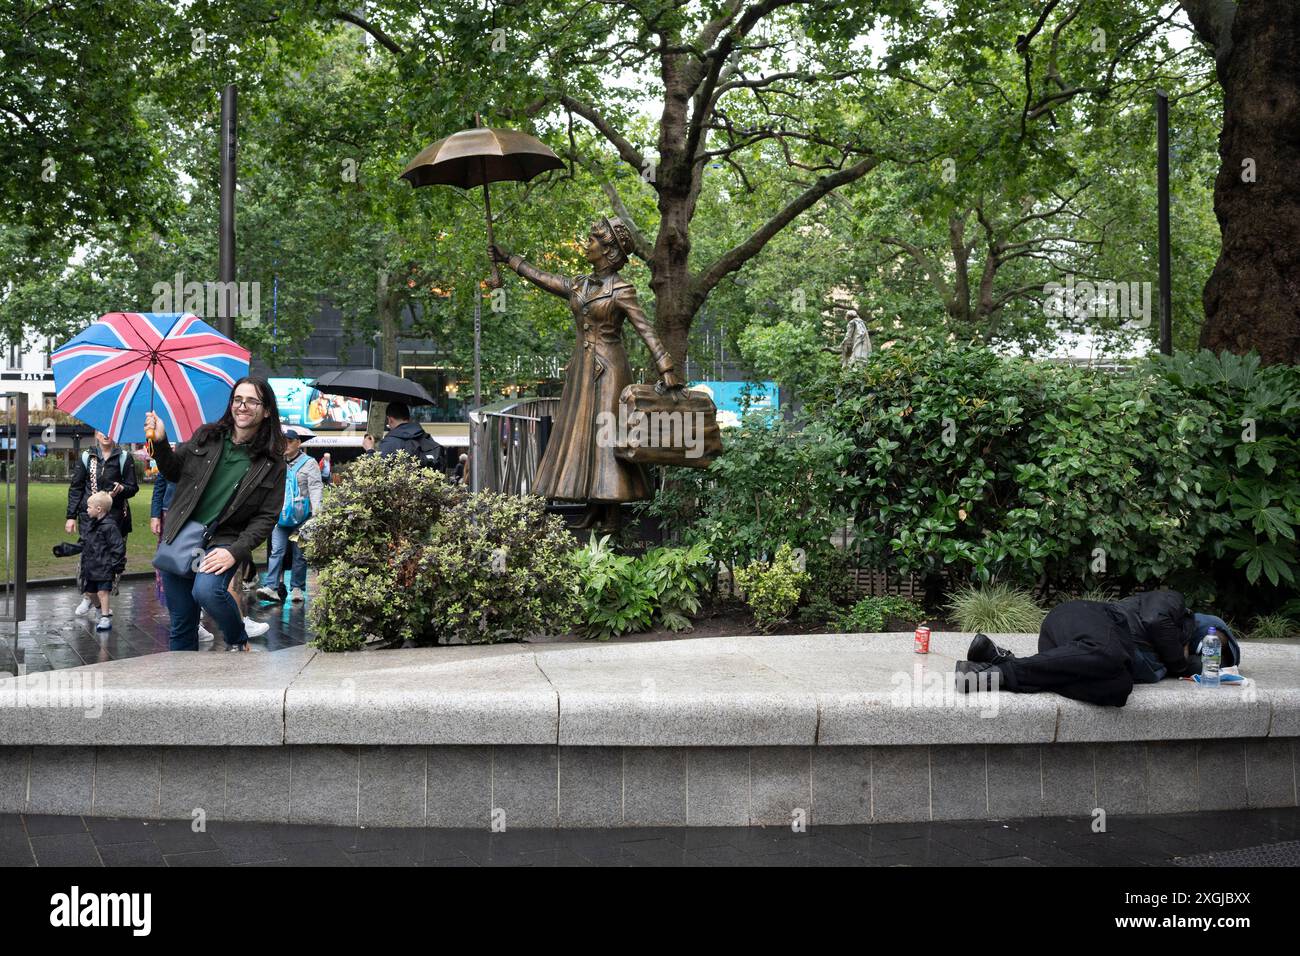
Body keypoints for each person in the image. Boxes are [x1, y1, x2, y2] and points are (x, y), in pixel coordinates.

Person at [490, 216, 683, 530]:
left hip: (609, 369)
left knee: (607, 437)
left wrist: (666, 367)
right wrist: (509, 259)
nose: (586, 244)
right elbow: (544, 278)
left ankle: (612, 512)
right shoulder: (579, 283)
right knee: (585, 435)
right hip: (581, 370)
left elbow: (645, 330)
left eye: (592, 240)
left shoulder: (621, 289)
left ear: (608, 251)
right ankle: (594, 504)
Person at [146, 377, 287, 652]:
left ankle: (237, 637)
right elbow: (173, 471)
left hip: (223, 539)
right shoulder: (207, 436)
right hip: (183, 533)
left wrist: (235, 551)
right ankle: (182, 689)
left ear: (267, 410)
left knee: (207, 590)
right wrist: (161, 443)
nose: (243, 406)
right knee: (182, 624)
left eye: (252, 401)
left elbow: (267, 517)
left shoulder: (272, 463)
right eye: (238, 399)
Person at [954, 589, 1202, 707]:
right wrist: (1180, 664)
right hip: (1081, 616)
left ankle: (998, 666)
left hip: (1066, 654)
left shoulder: (1158, 656)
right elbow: (1154, 619)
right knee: (1108, 652)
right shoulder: (1174, 601)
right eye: (1214, 643)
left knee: (1119, 688)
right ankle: (1004, 670)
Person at [66, 431, 139, 614]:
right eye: (102, 430)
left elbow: (133, 488)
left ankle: (103, 600)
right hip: (89, 518)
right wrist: (71, 516)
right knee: (88, 558)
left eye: (110, 431)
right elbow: (76, 487)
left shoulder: (124, 457)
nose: (106, 434)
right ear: (96, 434)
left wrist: (122, 488)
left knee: (111, 560)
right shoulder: (87, 456)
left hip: (115, 519)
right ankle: (88, 597)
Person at [257, 427, 323, 604]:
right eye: (282, 441)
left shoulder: (309, 463)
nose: (285, 444)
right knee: (276, 551)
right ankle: (271, 587)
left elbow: (315, 488)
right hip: (280, 517)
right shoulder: (278, 462)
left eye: (289, 441)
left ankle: (297, 589)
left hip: (302, 518)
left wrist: (317, 514)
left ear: (298, 443)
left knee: (299, 553)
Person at [77, 491, 126, 632]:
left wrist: (116, 566)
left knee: (102, 592)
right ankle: (99, 609)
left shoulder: (110, 527)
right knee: (91, 592)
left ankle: (105, 617)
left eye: (89, 507)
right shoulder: (91, 525)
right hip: (92, 566)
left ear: (99, 509)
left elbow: (118, 547)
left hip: (105, 567)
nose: (87, 510)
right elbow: (85, 543)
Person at [361, 403, 443, 467]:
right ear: (408, 417)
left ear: (390, 419)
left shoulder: (390, 442)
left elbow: (376, 471)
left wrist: (369, 450)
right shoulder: (425, 437)